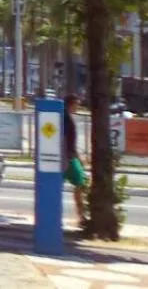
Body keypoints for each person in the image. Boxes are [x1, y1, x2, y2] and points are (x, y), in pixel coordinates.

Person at [63, 94, 88, 223]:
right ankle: (81, 216)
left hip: (68, 157)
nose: (78, 106)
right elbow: (67, 142)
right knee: (81, 183)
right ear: (71, 104)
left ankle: (81, 216)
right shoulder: (66, 118)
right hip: (68, 158)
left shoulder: (66, 117)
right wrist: (77, 157)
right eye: (76, 104)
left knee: (80, 184)